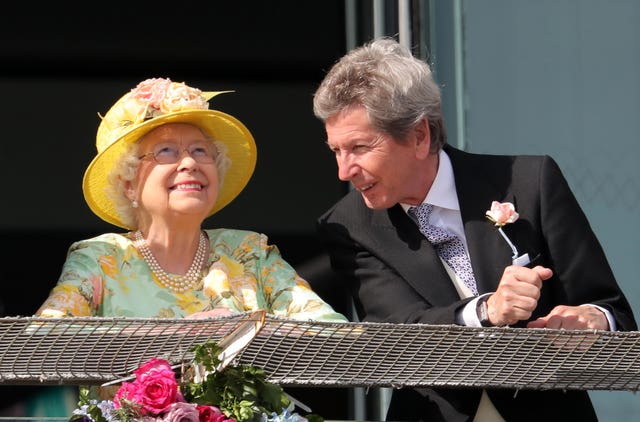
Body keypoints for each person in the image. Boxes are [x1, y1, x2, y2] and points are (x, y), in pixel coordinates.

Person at [312, 37, 637, 421]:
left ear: (419, 136)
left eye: (360, 148)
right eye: (336, 150)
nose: (344, 171)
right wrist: (487, 310)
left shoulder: (530, 181)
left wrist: (590, 320)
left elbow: (613, 312)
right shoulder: (347, 225)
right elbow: (400, 333)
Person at [34, 77, 347, 400]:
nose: (190, 163)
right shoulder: (101, 258)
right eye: (166, 151)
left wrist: (242, 331)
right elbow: (44, 341)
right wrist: (188, 339)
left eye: (201, 151)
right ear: (128, 183)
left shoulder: (249, 254)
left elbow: (330, 334)